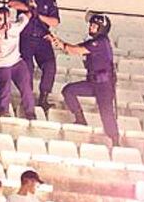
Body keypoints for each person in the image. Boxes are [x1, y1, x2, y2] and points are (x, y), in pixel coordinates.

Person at [48, 14, 120, 146]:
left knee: (106, 113)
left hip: (104, 86)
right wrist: (59, 42)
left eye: (94, 26)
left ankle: (115, 140)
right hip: (93, 82)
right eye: (91, 25)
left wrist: (60, 43)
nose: (91, 27)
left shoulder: (100, 42)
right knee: (69, 91)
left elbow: (75, 50)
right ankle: (80, 119)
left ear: (101, 29)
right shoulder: (94, 42)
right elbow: (73, 49)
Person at [8, 0, 60, 111]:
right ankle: (28, 99)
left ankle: (43, 98)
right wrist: (28, 8)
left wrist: (39, 15)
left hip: (42, 38)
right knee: (27, 69)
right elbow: (11, 3)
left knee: (50, 65)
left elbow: (55, 21)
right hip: (25, 37)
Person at [0, 6, 36, 119]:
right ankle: (3, 112)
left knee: (26, 86)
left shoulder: (16, 27)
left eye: (1, 19)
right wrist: (2, 29)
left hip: (16, 61)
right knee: (4, 90)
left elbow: (26, 17)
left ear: (8, 18)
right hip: (1, 64)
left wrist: (31, 9)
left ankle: (30, 112)